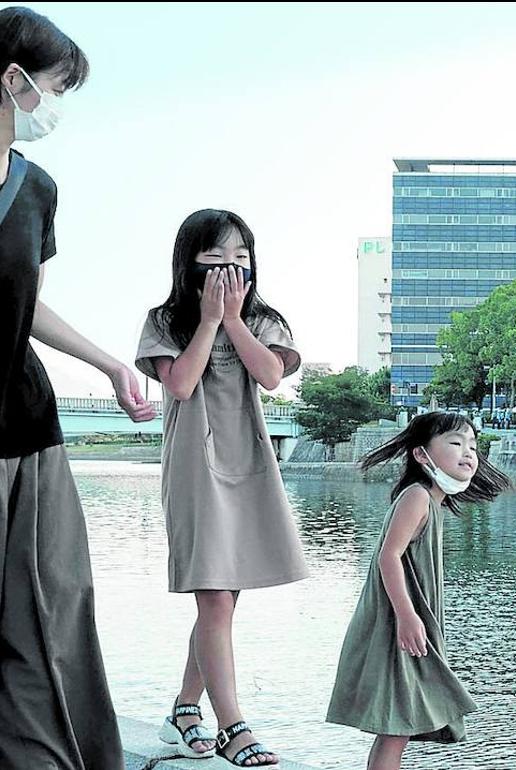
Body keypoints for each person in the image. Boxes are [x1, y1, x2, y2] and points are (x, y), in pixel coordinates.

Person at [0, 9, 158, 768]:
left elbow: (26, 301)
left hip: (28, 424)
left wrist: (109, 363)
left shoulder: (37, 189)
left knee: (51, 608)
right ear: (13, 79)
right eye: (55, 87)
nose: (55, 106)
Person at [136, 210, 307, 766]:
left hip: (250, 462)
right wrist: (208, 320)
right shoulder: (164, 320)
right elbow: (181, 383)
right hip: (194, 465)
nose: (230, 268)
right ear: (190, 262)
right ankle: (233, 725)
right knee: (213, 596)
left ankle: (185, 709)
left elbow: (271, 376)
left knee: (224, 600)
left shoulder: (265, 319)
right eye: (216, 258)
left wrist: (234, 320)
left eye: (240, 257)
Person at [327, 411, 511, 770]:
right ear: (422, 455)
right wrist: (408, 617)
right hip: (397, 626)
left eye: (473, 445)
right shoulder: (418, 497)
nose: (468, 453)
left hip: (403, 625)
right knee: (396, 727)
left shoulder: (431, 500)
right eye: (455, 443)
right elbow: (388, 557)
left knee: (397, 728)